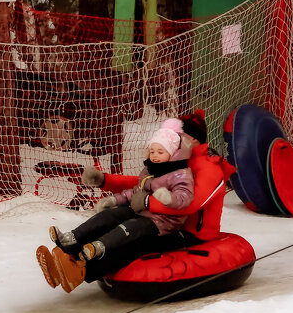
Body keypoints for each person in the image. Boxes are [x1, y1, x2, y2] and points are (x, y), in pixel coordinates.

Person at [36, 118, 194, 293]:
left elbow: (184, 198)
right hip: (144, 212)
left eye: (160, 152)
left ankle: (94, 252)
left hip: (163, 223)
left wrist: (158, 200)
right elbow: (135, 189)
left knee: (128, 230)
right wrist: (114, 200)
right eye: (153, 151)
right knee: (108, 216)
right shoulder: (151, 169)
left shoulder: (181, 173)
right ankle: (67, 246)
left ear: (173, 153)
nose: (155, 156)